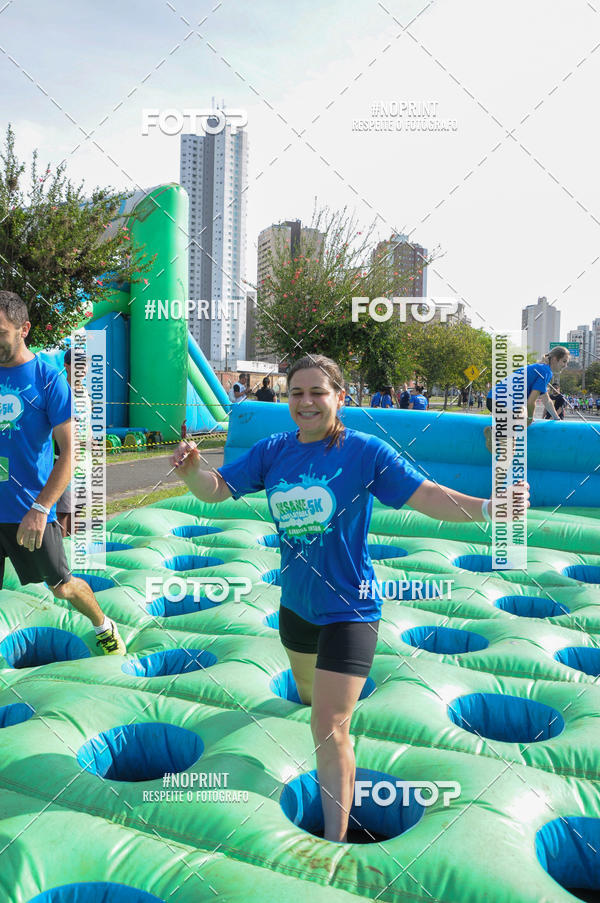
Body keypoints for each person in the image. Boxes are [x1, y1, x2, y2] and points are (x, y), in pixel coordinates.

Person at [170, 353, 528, 843]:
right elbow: (214, 489)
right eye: (297, 392)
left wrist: (490, 508)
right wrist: (192, 470)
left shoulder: (364, 451)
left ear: (340, 397)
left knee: (329, 725)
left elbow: (426, 495)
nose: (306, 402)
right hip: (296, 608)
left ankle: (335, 840)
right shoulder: (273, 451)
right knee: (307, 697)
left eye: (318, 392)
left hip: (351, 610)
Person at [0, 292, 125, 654]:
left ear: (24, 329)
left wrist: (41, 509)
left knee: (62, 586)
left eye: (1, 332)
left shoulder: (48, 380)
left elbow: (71, 453)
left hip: (28, 511)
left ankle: (103, 626)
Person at [483, 347, 570, 453]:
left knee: (521, 414)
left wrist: (557, 418)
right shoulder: (545, 371)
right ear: (555, 359)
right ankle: (494, 432)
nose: (565, 365)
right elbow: (531, 401)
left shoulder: (541, 368)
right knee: (510, 449)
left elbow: (546, 400)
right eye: (564, 361)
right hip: (501, 402)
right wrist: (529, 418)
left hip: (495, 399)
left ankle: (498, 432)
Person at [56, 347, 92, 538]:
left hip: (84, 460)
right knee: (64, 510)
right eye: (78, 364)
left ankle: (73, 544)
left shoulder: (86, 394)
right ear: (67, 366)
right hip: (65, 458)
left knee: (78, 508)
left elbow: (88, 424)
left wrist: (91, 440)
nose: (83, 368)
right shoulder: (61, 392)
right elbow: (53, 428)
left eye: (85, 364)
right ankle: (62, 548)